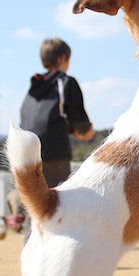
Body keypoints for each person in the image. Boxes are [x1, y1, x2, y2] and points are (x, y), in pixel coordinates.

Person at [20, 38, 95, 188]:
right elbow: (81, 126)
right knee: (56, 205)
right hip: (53, 155)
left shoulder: (34, 88)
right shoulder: (65, 82)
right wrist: (87, 133)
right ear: (62, 58)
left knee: (32, 206)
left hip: (25, 155)